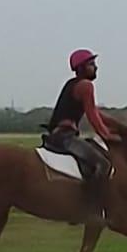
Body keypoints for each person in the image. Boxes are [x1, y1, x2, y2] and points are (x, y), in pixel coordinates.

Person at [45, 50, 120, 212]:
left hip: (60, 134)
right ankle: (90, 207)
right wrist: (106, 135)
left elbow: (95, 112)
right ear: (81, 68)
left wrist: (120, 127)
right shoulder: (86, 86)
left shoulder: (73, 84)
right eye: (91, 64)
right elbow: (92, 116)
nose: (96, 68)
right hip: (64, 136)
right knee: (103, 164)